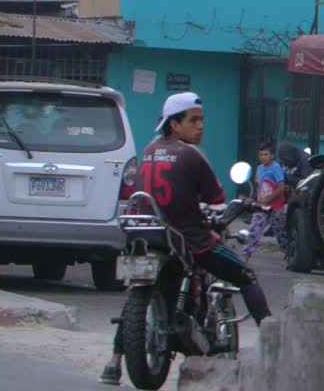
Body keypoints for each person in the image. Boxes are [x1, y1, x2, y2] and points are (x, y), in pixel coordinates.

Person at [100, 92, 272, 386]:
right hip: (190, 238)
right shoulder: (191, 155)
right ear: (174, 125)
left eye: (202, 120)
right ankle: (273, 346)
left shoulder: (150, 151)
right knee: (246, 277)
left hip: (149, 233)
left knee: (135, 295)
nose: (200, 126)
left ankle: (114, 362)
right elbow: (217, 199)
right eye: (193, 120)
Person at [241, 139, 286, 262]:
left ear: (272, 155)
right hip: (262, 207)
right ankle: (246, 256)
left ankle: (289, 253)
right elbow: (259, 186)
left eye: (266, 154)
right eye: (261, 154)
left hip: (276, 206)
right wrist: (260, 198)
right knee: (254, 229)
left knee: (280, 232)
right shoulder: (259, 169)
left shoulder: (276, 168)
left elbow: (281, 187)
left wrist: (268, 199)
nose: (263, 157)